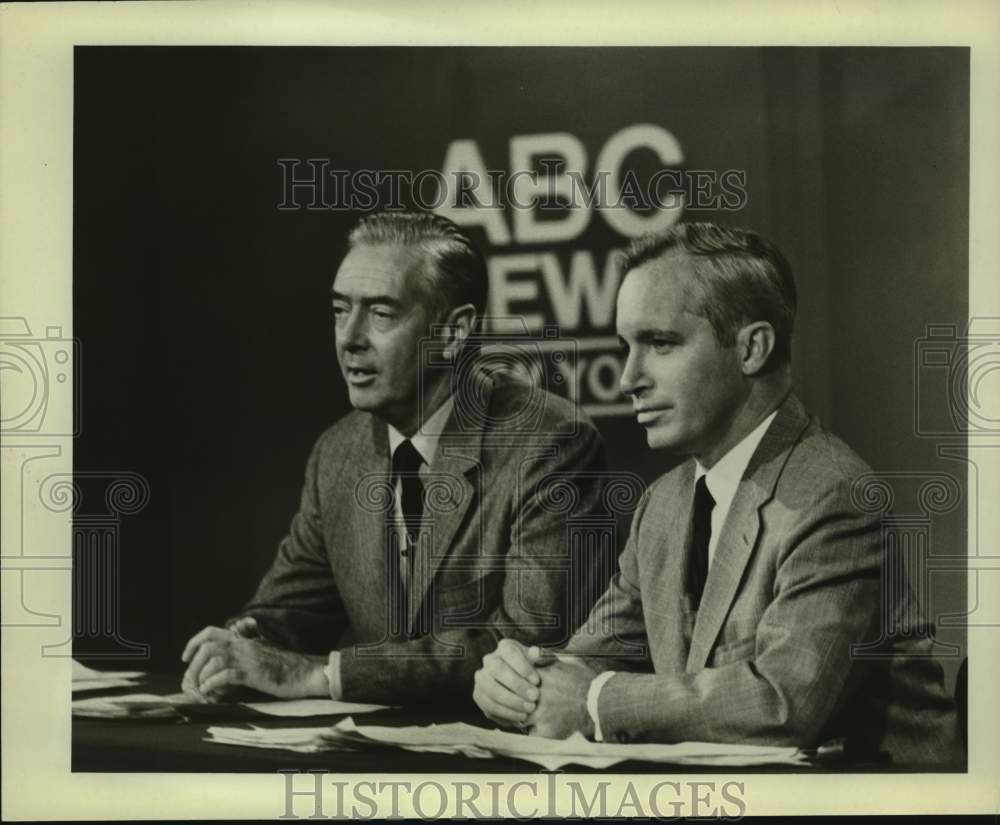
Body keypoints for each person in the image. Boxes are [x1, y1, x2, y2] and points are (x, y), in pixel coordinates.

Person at [473, 222, 963, 767]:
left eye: (660, 344)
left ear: (752, 348)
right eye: (625, 347)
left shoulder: (833, 494)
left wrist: (593, 702)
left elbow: (785, 704)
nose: (627, 378)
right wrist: (518, 678)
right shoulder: (662, 503)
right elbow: (587, 659)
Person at [181, 211, 611, 706]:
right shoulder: (337, 452)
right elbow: (289, 612)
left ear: (453, 332)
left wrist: (322, 675)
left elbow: (526, 645)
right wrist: (242, 645)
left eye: (381, 314)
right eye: (341, 310)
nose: (349, 338)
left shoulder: (551, 442)